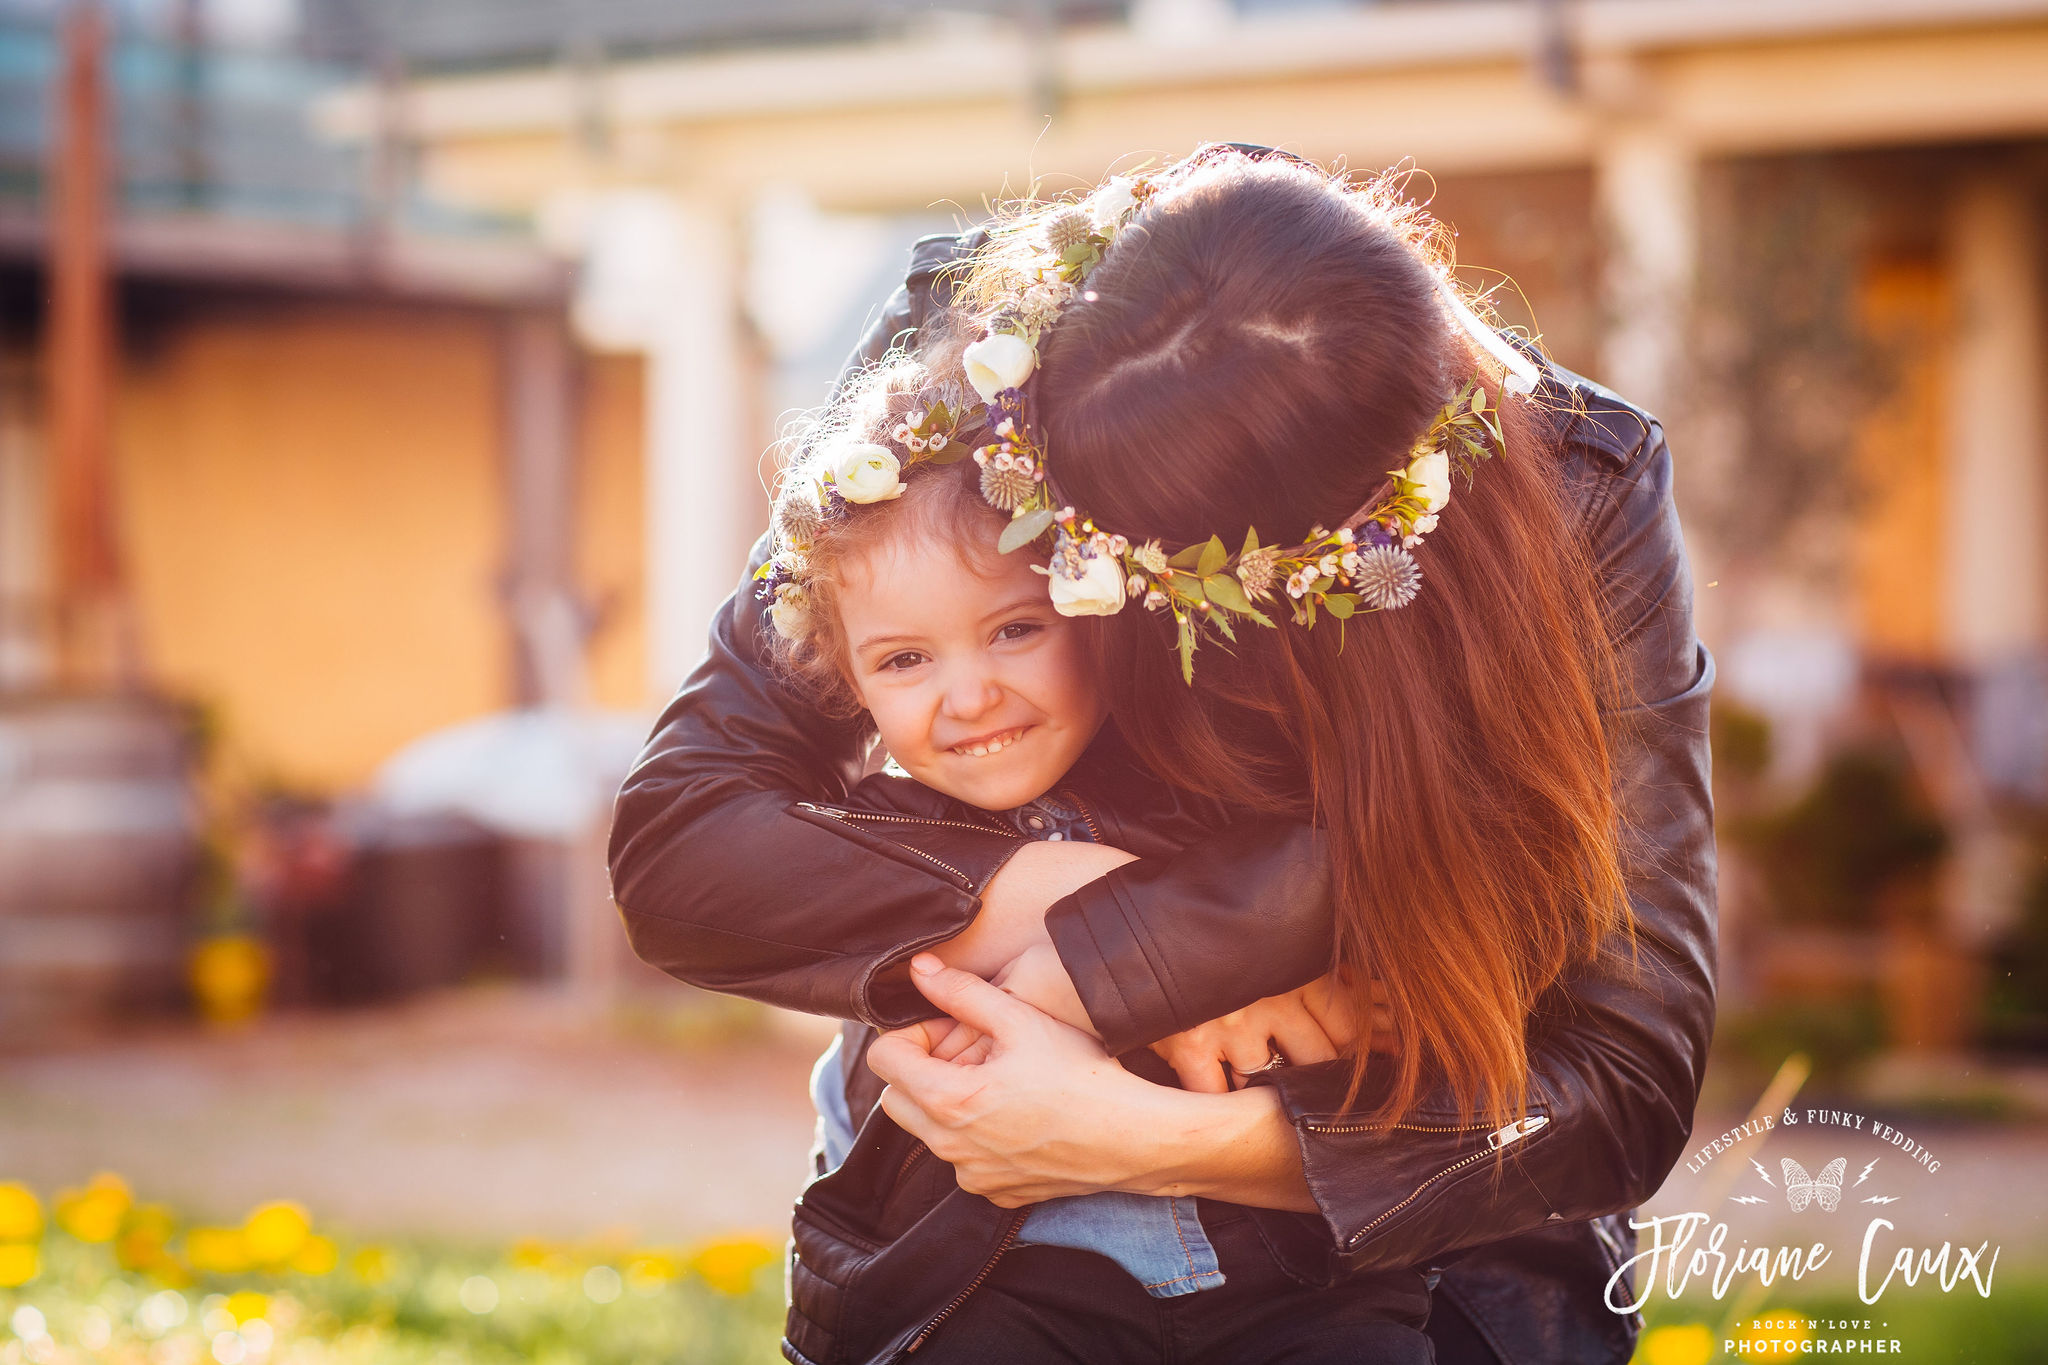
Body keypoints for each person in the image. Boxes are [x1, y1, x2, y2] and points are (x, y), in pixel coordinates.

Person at [608, 145, 1717, 1365]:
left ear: (1342, 540)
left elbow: (1620, 1092)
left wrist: (1135, 1132)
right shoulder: (960, 365)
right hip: (974, 1239)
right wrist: (1126, 938)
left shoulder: (1578, 494)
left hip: (1412, 1258)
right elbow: (684, 845)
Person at [751, 354, 1435, 1361]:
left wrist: (1292, 971)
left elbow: (1343, 923)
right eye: (904, 659)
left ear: (1094, 610)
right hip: (991, 1274)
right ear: (846, 680)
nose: (968, 694)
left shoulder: (1218, 778)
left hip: (1285, 1280)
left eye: (1014, 630)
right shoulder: (864, 846)